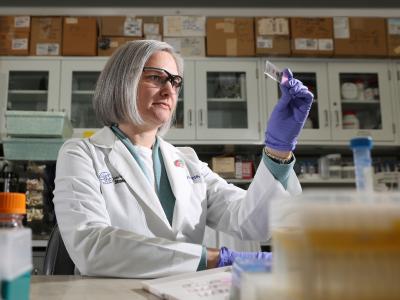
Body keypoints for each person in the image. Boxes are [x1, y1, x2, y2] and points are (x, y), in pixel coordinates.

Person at [53, 40, 313, 278]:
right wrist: (212, 259)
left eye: (175, 82)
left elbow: (252, 222)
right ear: (122, 81)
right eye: (157, 77)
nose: (169, 90)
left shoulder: (188, 162)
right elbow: (91, 246)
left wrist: (278, 150)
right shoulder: (82, 154)